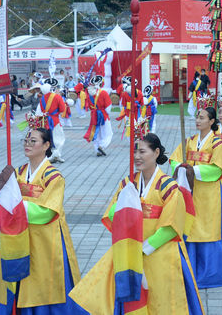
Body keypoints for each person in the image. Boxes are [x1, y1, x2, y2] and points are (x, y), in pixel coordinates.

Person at [70, 133, 203, 314]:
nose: (137, 157)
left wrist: (142, 249)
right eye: (135, 152)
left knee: (161, 303)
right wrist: (125, 201)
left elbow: (172, 226)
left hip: (160, 254)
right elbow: (112, 215)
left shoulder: (168, 187)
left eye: (142, 151)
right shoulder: (128, 183)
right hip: (129, 254)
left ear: (156, 152)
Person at [0, 127, 83, 314]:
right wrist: (1, 189)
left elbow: (47, 212)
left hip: (45, 241)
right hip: (19, 237)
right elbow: (0, 201)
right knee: (17, 280)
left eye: (33, 141)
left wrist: (16, 204)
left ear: (46, 145)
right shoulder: (17, 173)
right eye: (26, 140)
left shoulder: (54, 177)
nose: (28, 144)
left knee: (43, 283)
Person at [169, 106, 222, 288]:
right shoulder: (188, 142)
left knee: (207, 227)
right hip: (191, 193)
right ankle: (189, 269)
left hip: (209, 194)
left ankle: (212, 272)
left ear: (211, 121)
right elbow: (174, 160)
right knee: (190, 226)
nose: (198, 120)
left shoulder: (217, 144)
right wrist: (179, 168)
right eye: (197, 117)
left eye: (202, 118)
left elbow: (217, 168)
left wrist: (191, 170)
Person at [36, 78, 67, 163]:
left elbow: (42, 110)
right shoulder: (57, 97)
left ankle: (54, 155)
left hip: (46, 121)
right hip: (55, 120)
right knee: (60, 138)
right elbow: (62, 109)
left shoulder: (42, 99)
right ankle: (56, 155)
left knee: (50, 138)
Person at [83, 76, 113, 157]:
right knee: (108, 133)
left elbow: (89, 107)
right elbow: (108, 107)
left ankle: (97, 150)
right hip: (103, 115)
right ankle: (102, 146)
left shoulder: (89, 94)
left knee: (97, 133)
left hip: (94, 115)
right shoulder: (103, 93)